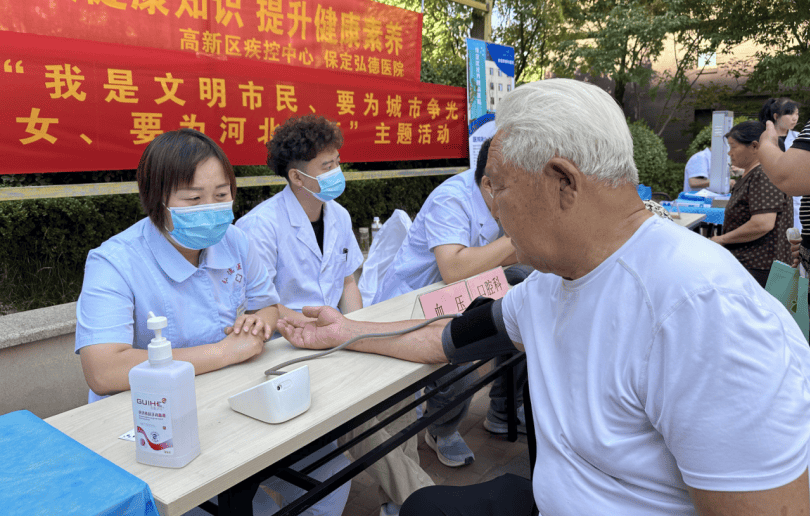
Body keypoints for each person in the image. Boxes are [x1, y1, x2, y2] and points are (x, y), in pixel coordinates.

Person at [277, 78, 810, 516]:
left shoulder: (700, 311)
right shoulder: (552, 284)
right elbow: (448, 339)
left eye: (500, 189)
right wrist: (349, 331)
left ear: (562, 183)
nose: (494, 214)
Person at [75, 128, 303, 515]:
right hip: (144, 425)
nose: (212, 208)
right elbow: (103, 369)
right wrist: (226, 351)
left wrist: (259, 324)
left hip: (219, 402)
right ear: (157, 201)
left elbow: (268, 305)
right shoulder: (114, 262)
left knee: (317, 458)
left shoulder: (233, 241)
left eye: (221, 195)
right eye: (194, 198)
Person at [237, 115, 433, 516]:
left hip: (337, 339)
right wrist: (328, 331)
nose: (336, 173)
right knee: (365, 426)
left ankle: (401, 502)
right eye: (326, 167)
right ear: (296, 177)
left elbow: (347, 284)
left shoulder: (338, 216)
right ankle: (421, 500)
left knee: (401, 400)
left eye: (336, 162)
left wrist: (356, 333)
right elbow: (260, 305)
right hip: (290, 352)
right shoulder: (259, 227)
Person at [372, 138, 522, 467]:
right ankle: (442, 429)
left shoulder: (501, 193)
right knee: (460, 364)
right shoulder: (451, 199)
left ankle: (502, 410)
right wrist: (520, 236)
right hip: (416, 301)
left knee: (522, 319)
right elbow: (454, 268)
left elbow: (505, 259)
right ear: (488, 183)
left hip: (467, 292)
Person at [710, 121, 792, 287]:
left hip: (760, 267)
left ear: (755, 147)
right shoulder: (755, 173)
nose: (729, 152)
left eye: (733, 146)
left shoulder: (763, 174)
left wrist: (722, 239)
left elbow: (763, 223)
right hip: (752, 265)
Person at [759, 97, 802, 229]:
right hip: (767, 197)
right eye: (790, 114)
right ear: (776, 116)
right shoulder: (761, 138)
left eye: (797, 114)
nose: (795, 118)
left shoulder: (801, 138)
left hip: (796, 198)